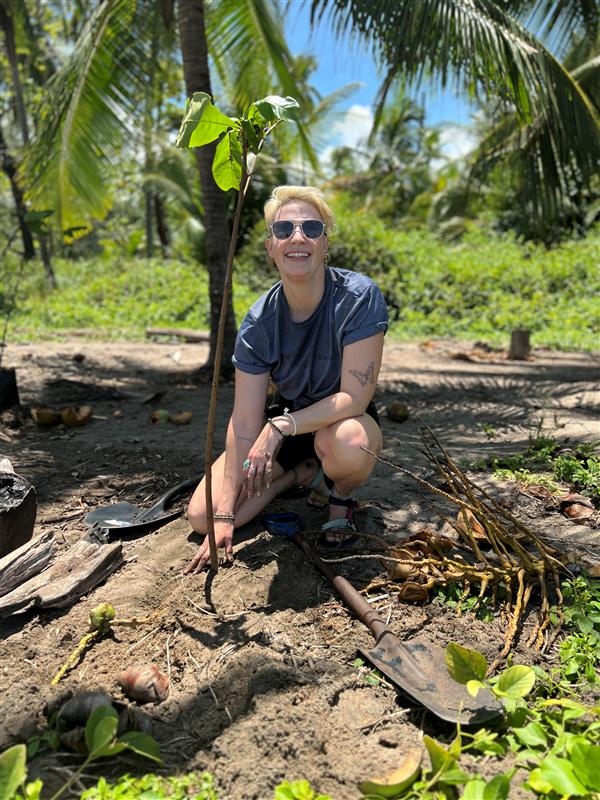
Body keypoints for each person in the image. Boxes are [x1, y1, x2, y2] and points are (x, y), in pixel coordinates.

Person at [185, 185, 388, 574]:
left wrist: (280, 427)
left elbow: (355, 398)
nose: (298, 237)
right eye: (284, 230)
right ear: (271, 247)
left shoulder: (359, 296)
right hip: (286, 428)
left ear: (325, 242)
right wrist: (226, 511)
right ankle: (299, 475)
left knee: (350, 443)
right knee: (202, 517)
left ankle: (339, 498)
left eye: (311, 228)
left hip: (339, 419)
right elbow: (245, 421)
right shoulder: (259, 322)